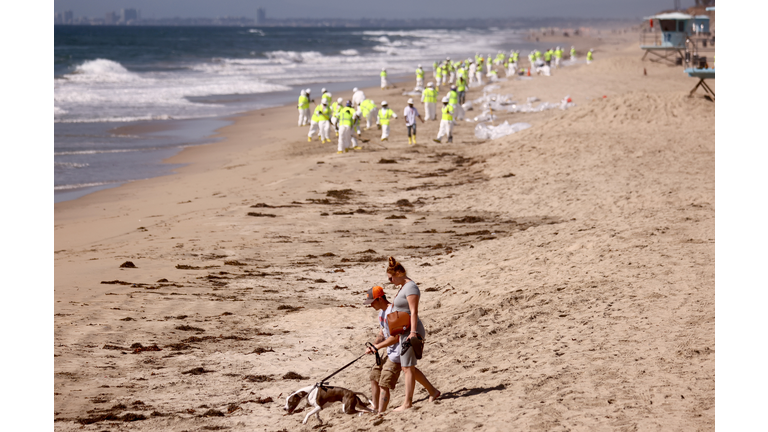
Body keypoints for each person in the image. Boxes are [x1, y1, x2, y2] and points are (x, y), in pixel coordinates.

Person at [385, 257, 440, 411]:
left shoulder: (411, 287)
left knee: (408, 367)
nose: (390, 282)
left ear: (398, 273)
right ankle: (433, 391)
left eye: (391, 278)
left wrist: (414, 332)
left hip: (411, 330)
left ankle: (407, 403)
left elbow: (414, 311)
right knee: (408, 367)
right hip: (404, 331)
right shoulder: (403, 287)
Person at [364, 286, 402, 414]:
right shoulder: (382, 312)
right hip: (389, 350)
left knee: (384, 383)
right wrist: (373, 345)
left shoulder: (393, 312)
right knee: (374, 375)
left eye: (372, 302)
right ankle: (374, 407)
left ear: (380, 299)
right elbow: (382, 333)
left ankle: (381, 412)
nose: (370, 306)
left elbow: (395, 338)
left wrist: (377, 347)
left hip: (398, 352)